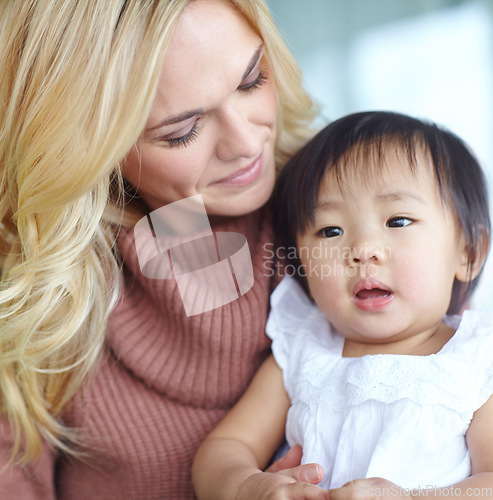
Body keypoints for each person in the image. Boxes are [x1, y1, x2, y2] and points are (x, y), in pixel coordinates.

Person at [0, 0, 322, 498]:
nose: (245, 142)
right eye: (181, 131)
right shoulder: (44, 298)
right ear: (88, 148)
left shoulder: (346, 201)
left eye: (252, 79)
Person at [192, 111, 493, 499]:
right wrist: (249, 485)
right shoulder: (304, 351)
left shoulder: (474, 363)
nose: (362, 250)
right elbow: (225, 448)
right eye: (330, 230)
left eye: (398, 221)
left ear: (468, 253)